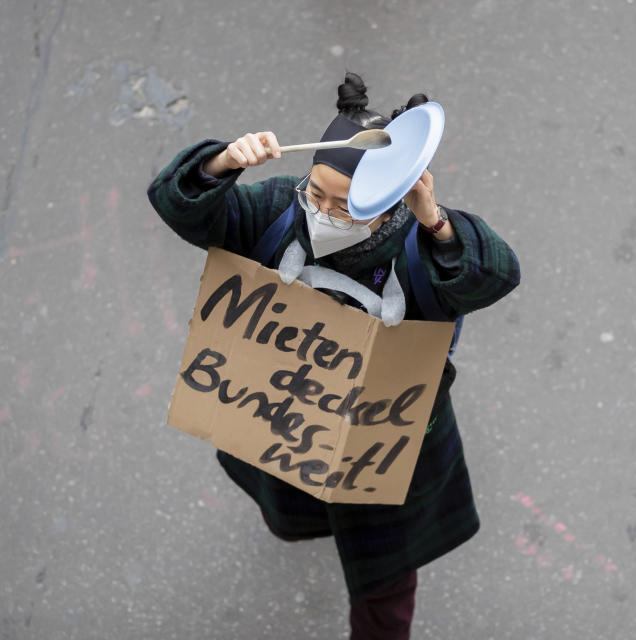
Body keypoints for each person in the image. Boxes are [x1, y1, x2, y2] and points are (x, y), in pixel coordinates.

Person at [147, 72, 520, 639]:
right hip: (285, 421)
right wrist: (221, 165)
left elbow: (493, 275)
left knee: (384, 583)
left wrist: (435, 220)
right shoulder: (278, 209)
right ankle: (303, 523)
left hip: (385, 447)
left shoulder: (421, 246)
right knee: (294, 508)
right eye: (314, 194)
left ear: (388, 202)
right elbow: (182, 207)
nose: (322, 214)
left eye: (344, 207)